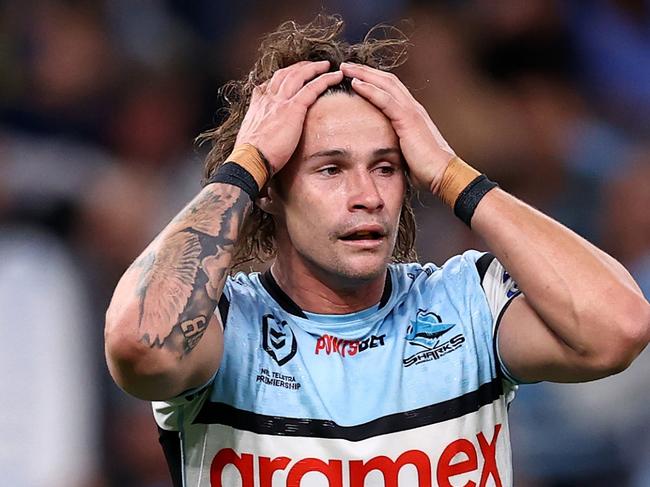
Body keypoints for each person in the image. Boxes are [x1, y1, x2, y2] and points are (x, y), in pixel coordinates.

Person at [104, 14, 650, 487]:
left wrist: (450, 172)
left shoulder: (469, 300)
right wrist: (247, 164)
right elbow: (141, 346)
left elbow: (619, 328)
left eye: (385, 167)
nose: (367, 197)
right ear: (271, 188)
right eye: (331, 169)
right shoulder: (222, 322)